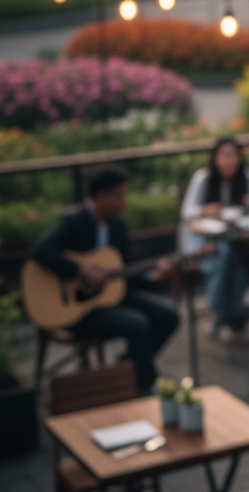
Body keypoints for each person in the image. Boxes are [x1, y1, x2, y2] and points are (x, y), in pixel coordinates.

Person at [32, 168, 180, 393]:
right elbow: (41, 250)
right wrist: (80, 272)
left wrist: (154, 277)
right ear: (102, 196)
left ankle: (127, 368)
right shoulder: (74, 221)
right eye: (120, 196)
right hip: (78, 308)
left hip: (111, 297)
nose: (124, 201)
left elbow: (127, 271)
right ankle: (144, 385)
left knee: (168, 318)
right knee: (137, 324)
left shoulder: (117, 225)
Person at [180, 138, 249, 334]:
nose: (230, 161)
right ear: (215, 158)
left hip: (239, 236)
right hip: (206, 240)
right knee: (224, 255)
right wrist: (205, 210)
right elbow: (186, 212)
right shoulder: (204, 178)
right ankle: (223, 310)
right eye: (225, 156)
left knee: (244, 253)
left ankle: (233, 310)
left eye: (234, 156)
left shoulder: (246, 177)